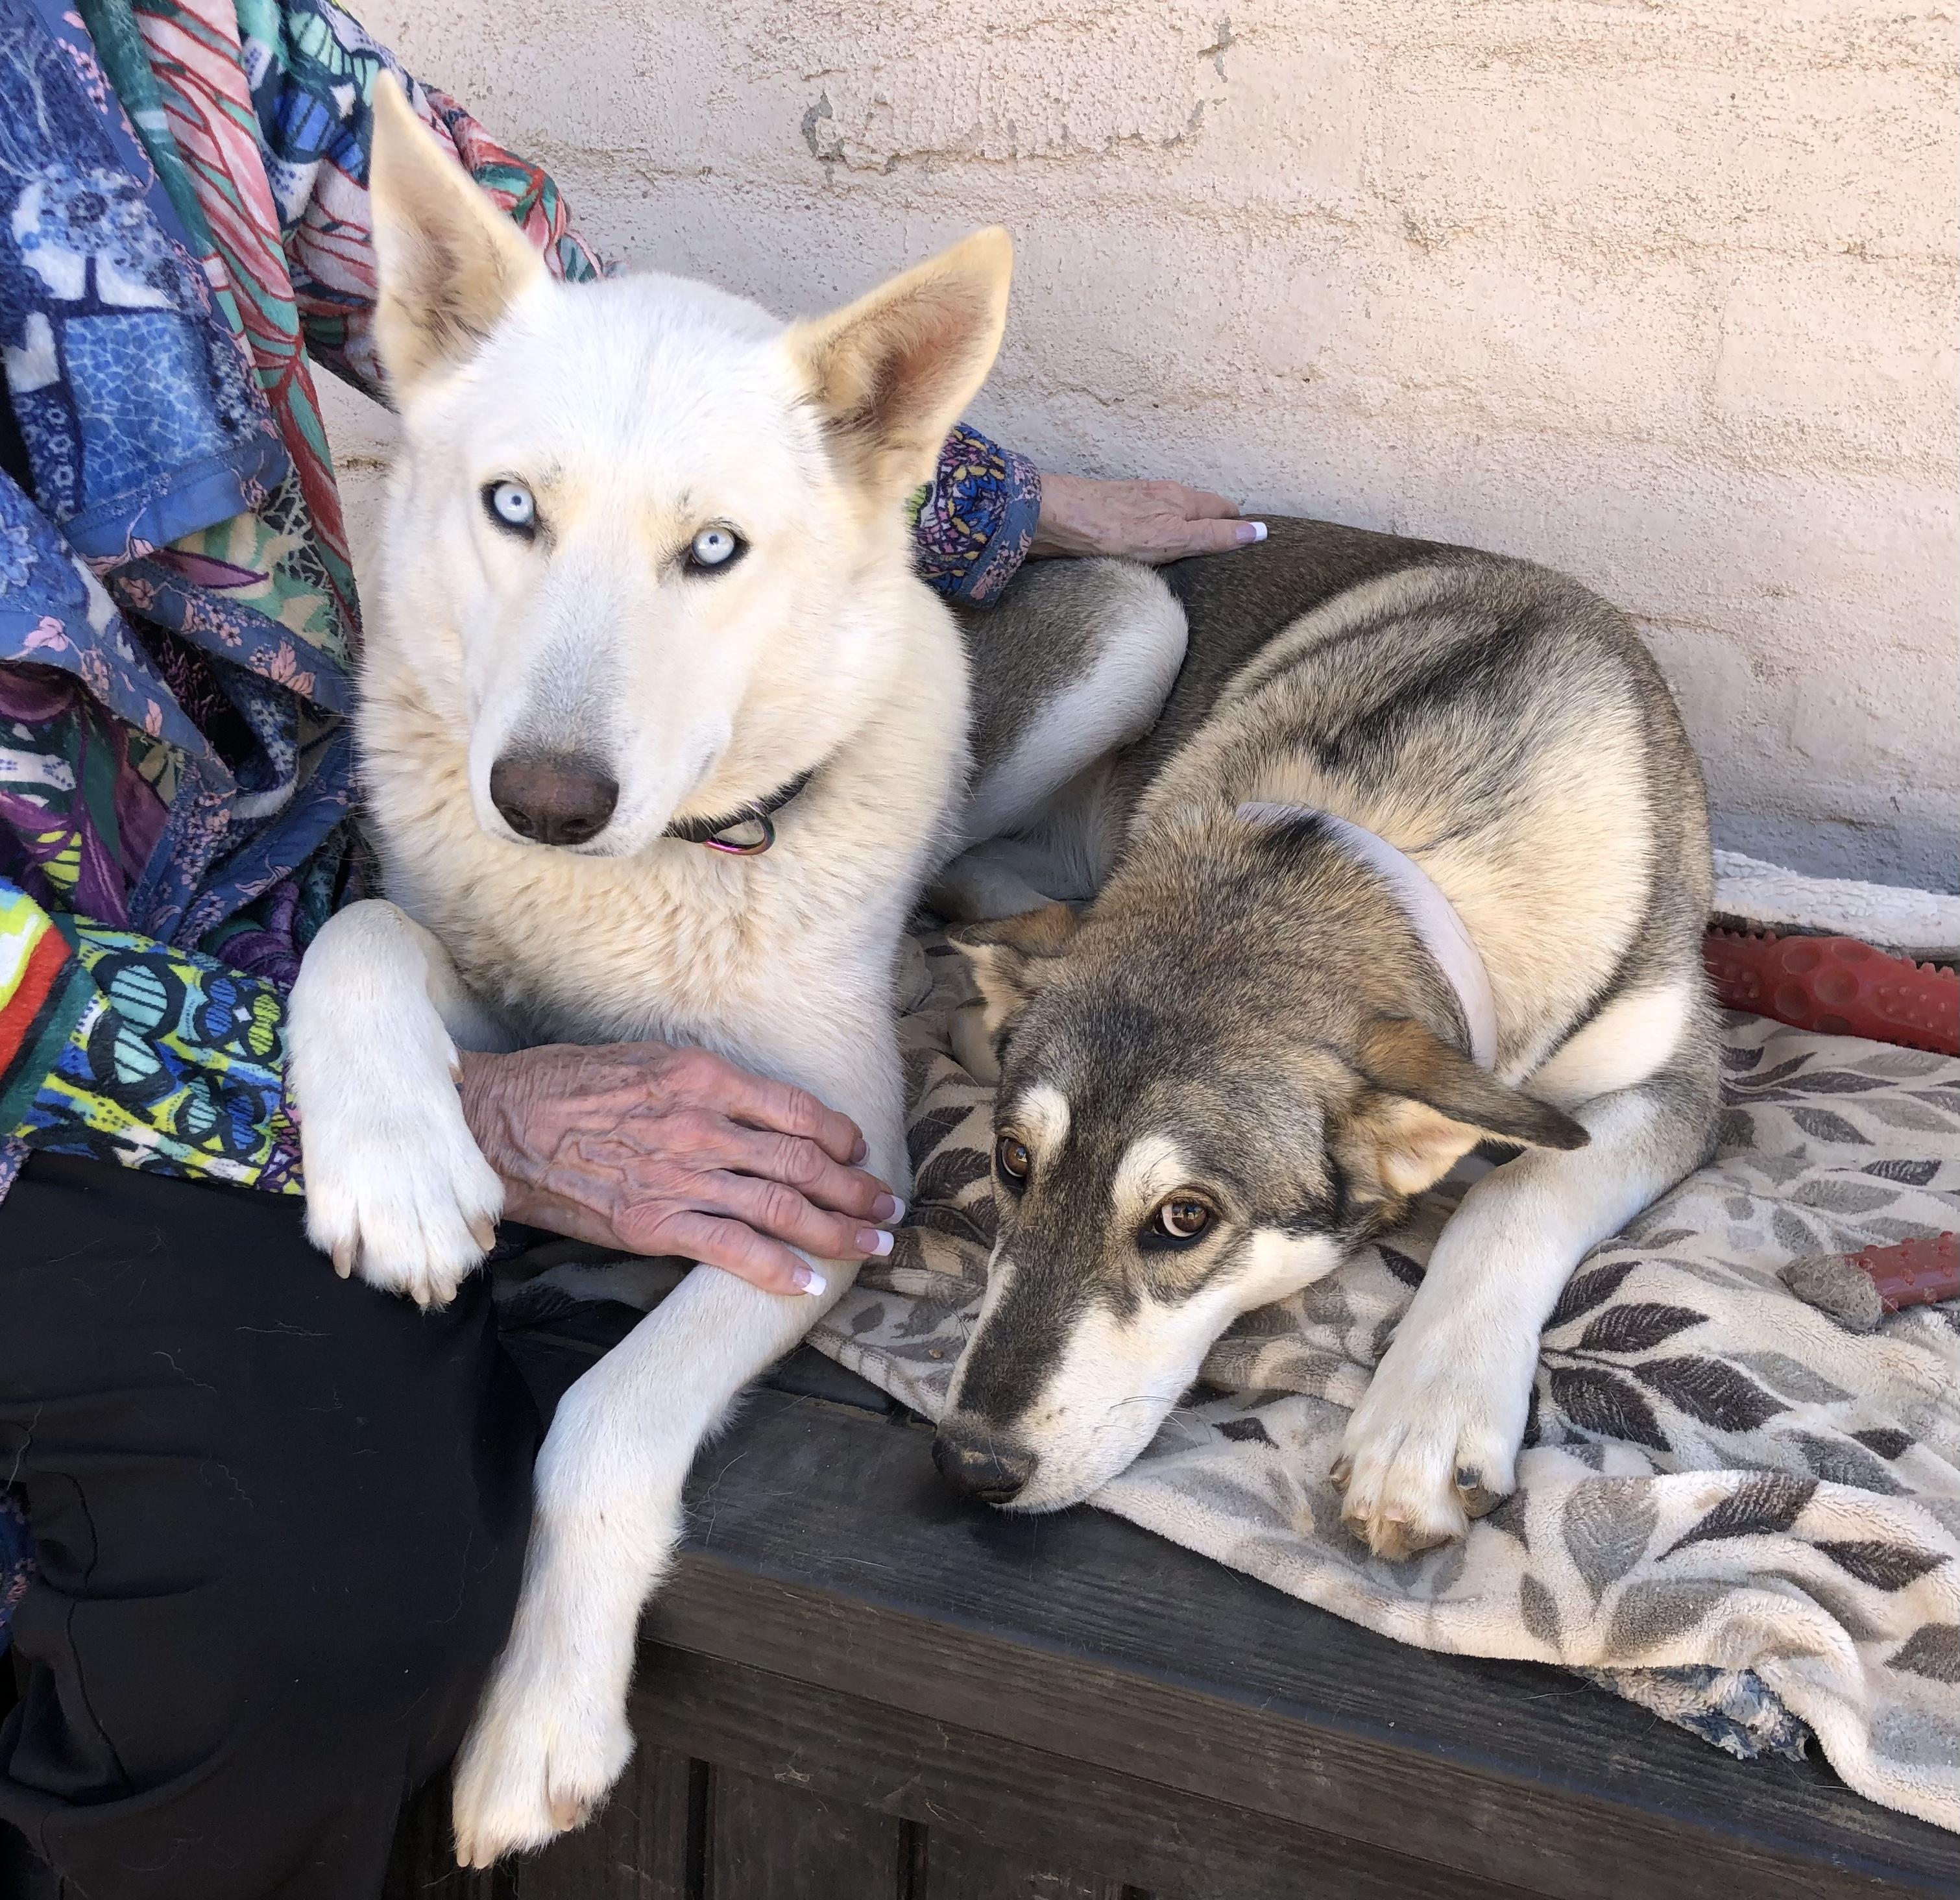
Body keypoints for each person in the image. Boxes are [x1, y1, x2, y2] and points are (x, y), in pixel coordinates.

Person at [0, 3, 1264, 1893]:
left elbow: (572, 339)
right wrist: (350, 1084)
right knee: (313, 1573)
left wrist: (947, 489)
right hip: (62, 1056)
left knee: (420, 1489)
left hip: (262, 877)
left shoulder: (139, 25)